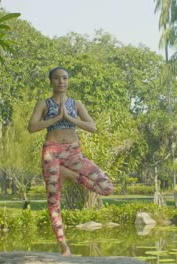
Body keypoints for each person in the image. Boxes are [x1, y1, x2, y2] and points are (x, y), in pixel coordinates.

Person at [27, 66, 114, 256]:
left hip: (74, 154)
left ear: (68, 81)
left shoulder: (76, 104)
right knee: (53, 201)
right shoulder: (44, 104)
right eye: (57, 78)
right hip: (52, 154)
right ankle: (64, 246)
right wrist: (56, 118)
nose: (61, 81)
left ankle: (70, 174)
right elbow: (32, 127)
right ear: (51, 81)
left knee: (107, 187)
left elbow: (92, 127)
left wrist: (68, 117)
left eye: (64, 78)